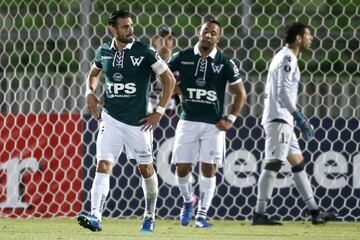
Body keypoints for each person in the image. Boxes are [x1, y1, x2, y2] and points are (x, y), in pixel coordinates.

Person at [77, 10, 176, 233]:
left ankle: (149, 215)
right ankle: (96, 216)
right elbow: (93, 74)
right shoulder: (103, 51)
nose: (130, 30)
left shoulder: (144, 52)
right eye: (125, 27)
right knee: (103, 165)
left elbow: (168, 79)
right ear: (113, 29)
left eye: (131, 26)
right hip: (110, 118)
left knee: (146, 169)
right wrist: (89, 93)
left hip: (139, 122)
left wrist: (159, 111)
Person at [252, 22, 336, 225]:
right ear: (298, 38)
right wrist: (299, 116)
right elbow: (282, 92)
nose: (311, 38)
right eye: (308, 35)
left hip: (283, 119)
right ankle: (259, 213)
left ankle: (315, 212)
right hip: (279, 118)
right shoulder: (287, 57)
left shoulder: (284, 56)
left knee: (298, 164)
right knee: (273, 164)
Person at [168, 20, 247, 228]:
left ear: (218, 38)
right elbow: (164, 74)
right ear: (198, 33)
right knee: (182, 169)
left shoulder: (225, 62)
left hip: (213, 126)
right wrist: (176, 89)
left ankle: (201, 216)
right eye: (205, 32)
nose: (208, 36)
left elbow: (241, 94)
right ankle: (188, 201)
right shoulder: (183, 57)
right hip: (188, 121)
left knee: (209, 169)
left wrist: (231, 119)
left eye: (213, 33)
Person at [149, 25, 177, 115]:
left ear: (172, 42)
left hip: (171, 114)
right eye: (161, 38)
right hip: (148, 113)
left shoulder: (178, 64)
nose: (165, 41)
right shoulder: (147, 63)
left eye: (169, 38)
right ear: (154, 41)